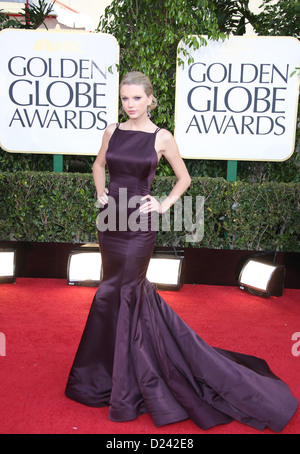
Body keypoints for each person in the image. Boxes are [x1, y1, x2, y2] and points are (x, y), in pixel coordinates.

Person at [65, 71, 298, 432]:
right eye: (125, 98)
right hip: (110, 220)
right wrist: (100, 194)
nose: (130, 105)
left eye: (136, 99)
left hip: (141, 225)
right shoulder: (112, 131)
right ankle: (105, 371)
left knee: (124, 289)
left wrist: (163, 204)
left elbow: (184, 178)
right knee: (112, 289)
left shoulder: (162, 138)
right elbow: (98, 166)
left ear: (150, 100)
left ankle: (127, 379)